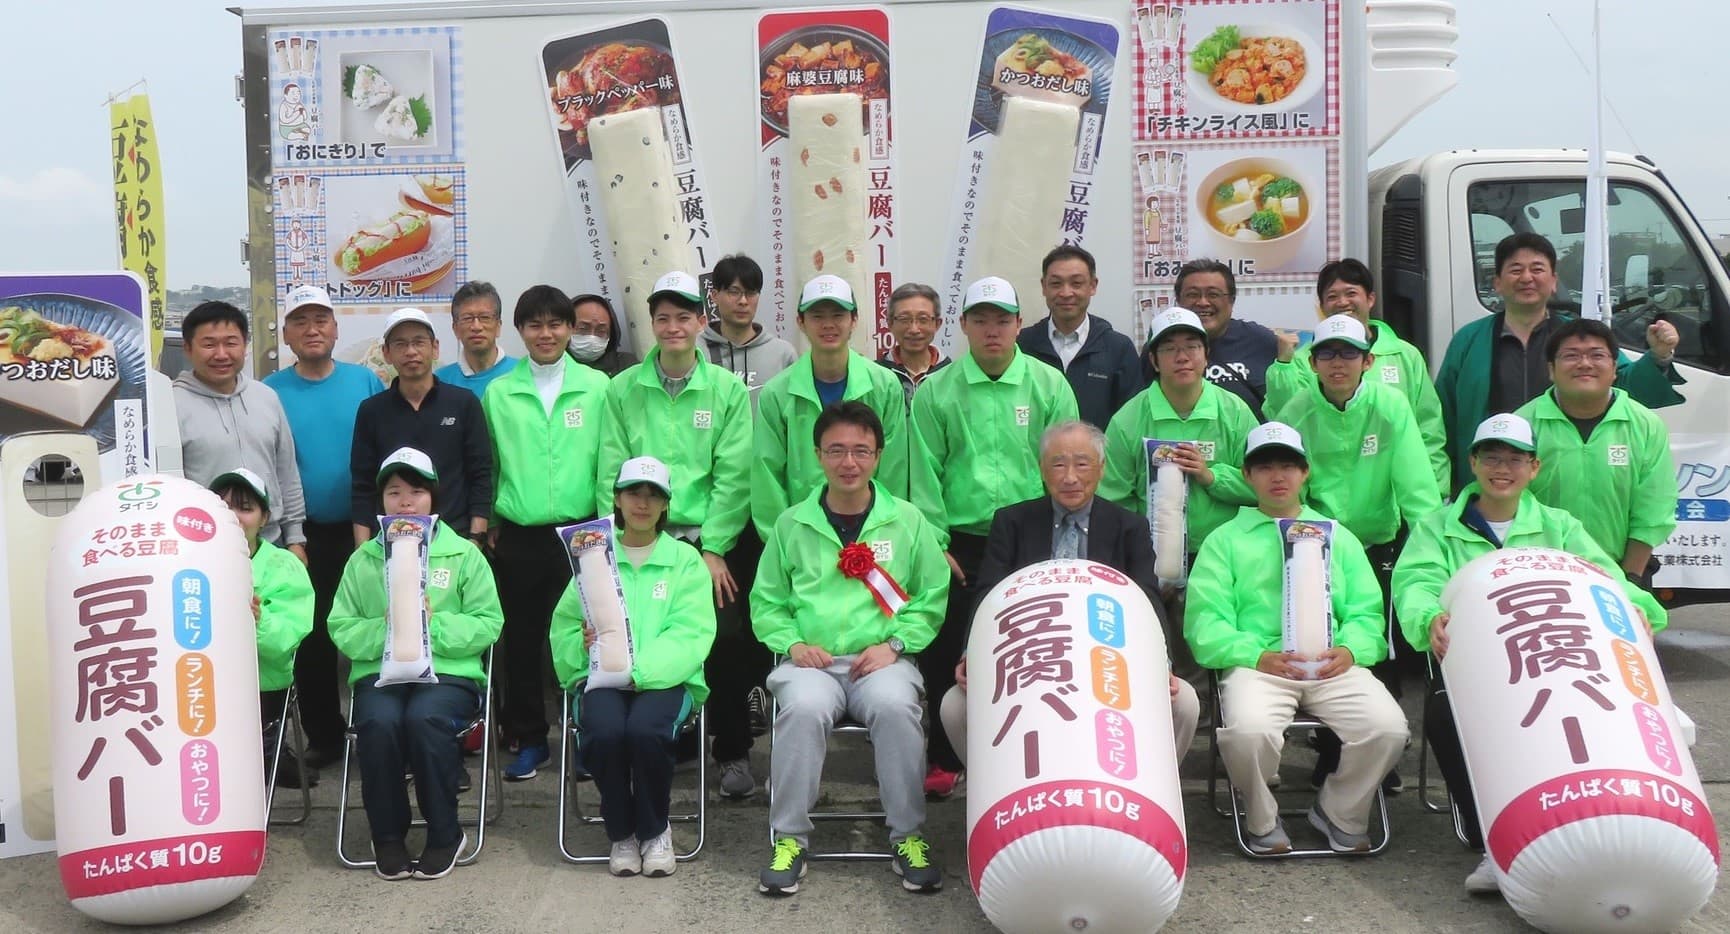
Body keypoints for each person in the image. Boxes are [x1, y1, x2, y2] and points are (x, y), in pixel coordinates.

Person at [1391, 413, 1667, 894]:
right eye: (1492, 457)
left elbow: (1605, 575)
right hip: (1477, 671)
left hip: (1559, 665)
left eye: (1515, 459)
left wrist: (1640, 610)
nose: (1503, 468)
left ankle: (1599, 825)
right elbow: (1416, 582)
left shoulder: (1558, 525)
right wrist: (1426, 619)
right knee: (1442, 716)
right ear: (1473, 463)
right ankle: (1492, 846)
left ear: (1534, 468)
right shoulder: (1436, 526)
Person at [1185, 422, 1409, 855]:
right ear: (1247, 476)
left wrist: (1350, 650)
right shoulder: (1224, 541)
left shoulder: (1336, 535)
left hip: (1332, 665)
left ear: (1305, 472)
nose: (1277, 476)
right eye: (1264, 466)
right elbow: (1204, 625)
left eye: (1288, 465)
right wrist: (1256, 655)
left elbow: (1367, 612)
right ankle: (1261, 815)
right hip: (1260, 666)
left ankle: (1339, 811)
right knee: (1248, 732)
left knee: (1389, 729)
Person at [753, 402, 949, 896]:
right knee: (802, 708)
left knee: (895, 706)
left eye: (861, 451)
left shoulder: (905, 521)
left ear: (879, 456)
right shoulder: (792, 524)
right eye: (836, 450)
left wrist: (897, 643)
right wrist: (792, 643)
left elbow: (931, 594)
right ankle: (790, 839)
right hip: (810, 663)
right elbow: (767, 602)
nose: (849, 462)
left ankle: (907, 835)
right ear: (817, 455)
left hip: (880, 660)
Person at [937, 421, 1201, 768]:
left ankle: (1150, 794)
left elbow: (1148, 599)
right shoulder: (1012, 523)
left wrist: (1160, 662)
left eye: (1082, 463)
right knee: (954, 706)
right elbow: (989, 593)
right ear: (1042, 470)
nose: (1070, 477)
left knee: (1185, 703)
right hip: (1032, 661)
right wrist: (973, 652)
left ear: (1102, 468)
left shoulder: (1129, 527)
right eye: (1058, 464)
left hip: (1108, 661)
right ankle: (1000, 791)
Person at [910, 276, 1079, 797]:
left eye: (1002, 320)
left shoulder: (1048, 384)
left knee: (1036, 649)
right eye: (980, 320)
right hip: (961, 541)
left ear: (1019, 325)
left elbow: (1066, 464)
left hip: (1034, 535)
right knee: (948, 649)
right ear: (962, 327)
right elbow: (923, 472)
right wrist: (935, 543)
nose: (992, 330)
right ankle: (943, 757)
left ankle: (1044, 755)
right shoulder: (937, 390)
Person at [598, 271, 760, 799]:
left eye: (683, 316)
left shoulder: (727, 390)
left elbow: (734, 476)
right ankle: (659, 744)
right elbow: (609, 470)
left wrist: (713, 549)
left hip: (706, 540)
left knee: (726, 642)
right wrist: (613, 545)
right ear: (652, 324)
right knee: (636, 636)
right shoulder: (623, 389)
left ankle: (732, 752)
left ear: (701, 321)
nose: (673, 327)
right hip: (637, 537)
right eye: (662, 318)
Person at [1269, 313, 1440, 791]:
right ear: (1313, 361)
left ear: (1367, 360)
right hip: (1314, 545)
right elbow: (1283, 482)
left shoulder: (1390, 406)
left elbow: (1417, 488)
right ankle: (1329, 749)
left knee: (1375, 649)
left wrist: (1433, 550)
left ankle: (1374, 756)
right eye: (1327, 354)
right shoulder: (1298, 411)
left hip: (1379, 541)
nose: (1337, 363)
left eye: (1348, 353)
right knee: (1319, 643)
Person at [328, 447, 503, 881]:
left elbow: (489, 623)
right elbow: (341, 626)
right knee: (381, 722)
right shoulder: (363, 559)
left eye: (417, 492)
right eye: (394, 492)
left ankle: (445, 833)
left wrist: (433, 626)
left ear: (434, 500)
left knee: (426, 718)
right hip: (379, 674)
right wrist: (385, 629)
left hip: (449, 674)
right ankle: (387, 836)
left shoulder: (463, 555)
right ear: (381, 501)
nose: (405, 501)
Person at [550, 456, 716, 878]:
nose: (642, 504)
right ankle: (622, 833)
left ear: (665, 506)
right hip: (602, 678)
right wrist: (580, 645)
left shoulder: (684, 560)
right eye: (633, 494)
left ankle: (655, 829)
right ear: (617, 501)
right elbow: (565, 626)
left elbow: (691, 631)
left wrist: (640, 672)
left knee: (645, 731)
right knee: (604, 732)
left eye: (652, 496)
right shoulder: (593, 556)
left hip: (665, 680)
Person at [481, 285, 612, 781]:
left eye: (555, 324)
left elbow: (608, 461)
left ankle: (586, 737)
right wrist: (492, 520)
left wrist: (604, 525)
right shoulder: (500, 392)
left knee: (587, 638)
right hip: (521, 535)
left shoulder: (598, 387)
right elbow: (489, 463)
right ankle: (531, 739)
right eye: (534, 325)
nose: (546, 334)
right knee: (522, 641)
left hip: (583, 533)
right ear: (520, 332)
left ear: (569, 329)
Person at [1435, 232, 1683, 492]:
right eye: (1515, 270)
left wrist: (1659, 355)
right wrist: (1446, 489)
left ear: (1553, 281)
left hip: (1562, 483)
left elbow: (1627, 388)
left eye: (1537, 269)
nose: (1527, 278)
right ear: (1497, 282)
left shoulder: (1580, 337)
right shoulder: (1468, 340)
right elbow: (1442, 418)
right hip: (1490, 485)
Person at [263, 284, 385, 769]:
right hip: (301, 536)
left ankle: (377, 729)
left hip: (364, 531)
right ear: (287, 335)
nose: (312, 330)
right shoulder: (270, 391)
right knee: (311, 638)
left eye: (321, 320)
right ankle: (326, 736)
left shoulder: (365, 382)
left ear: (336, 328)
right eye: (301, 322)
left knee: (371, 628)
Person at [1100, 308, 1259, 676]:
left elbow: (1262, 487)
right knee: (1161, 657)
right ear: (1154, 360)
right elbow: (1113, 497)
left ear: (1206, 355)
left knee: (1220, 654)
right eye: (1170, 349)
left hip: (1221, 554)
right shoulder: (1129, 418)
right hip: (1153, 560)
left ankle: (1218, 715)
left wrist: (1211, 476)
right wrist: (1140, 558)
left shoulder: (1233, 411)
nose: (1182, 356)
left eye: (1192, 346)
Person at [1515, 318, 1678, 587]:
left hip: (1625, 571)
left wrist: (1630, 579)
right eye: (1571, 356)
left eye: (1597, 355)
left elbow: (1653, 507)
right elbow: (1511, 504)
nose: (1585, 364)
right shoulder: (1524, 424)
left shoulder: (1645, 425)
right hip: (1541, 574)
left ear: (1614, 368)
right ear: (1551, 370)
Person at [1264, 259, 1449, 494]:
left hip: (1395, 500)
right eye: (1332, 296)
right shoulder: (1302, 361)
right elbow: (1286, 420)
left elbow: (1429, 427)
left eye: (1351, 293)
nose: (1342, 302)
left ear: (1370, 298)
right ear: (1321, 305)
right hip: (1326, 498)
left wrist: (1436, 490)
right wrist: (1284, 366)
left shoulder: (1405, 354)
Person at [752, 274, 910, 539]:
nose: (828, 325)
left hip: (873, 533)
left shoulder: (884, 385)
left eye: (838, 315)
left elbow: (894, 468)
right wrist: (783, 540)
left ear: (854, 321)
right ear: (800, 322)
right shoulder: (777, 393)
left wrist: (884, 532)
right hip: (802, 535)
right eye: (817, 316)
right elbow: (767, 477)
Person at [349, 307, 494, 548]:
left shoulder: (464, 403)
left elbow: (480, 475)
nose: (411, 351)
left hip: (454, 541)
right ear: (386, 353)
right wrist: (361, 550)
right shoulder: (371, 411)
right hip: (390, 541)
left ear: (434, 347)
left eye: (419, 342)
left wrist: (475, 539)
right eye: (400, 344)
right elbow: (362, 485)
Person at [174, 300, 308, 559]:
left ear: (245, 345)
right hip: (204, 547)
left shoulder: (266, 397)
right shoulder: (172, 405)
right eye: (209, 344)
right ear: (188, 349)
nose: (221, 354)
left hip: (272, 545)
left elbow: (286, 472)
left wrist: (295, 539)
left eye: (231, 342)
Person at [209, 467, 315, 788]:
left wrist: (258, 621)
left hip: (262, 685)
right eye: (224, 507)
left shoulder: (285, 566)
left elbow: (288, 637)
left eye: (245, 508)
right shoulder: (191, 562)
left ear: (264, 518)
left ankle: (271, 754)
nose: (234, 517)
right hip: (201, 681)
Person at [1016, 245, 1144, 429]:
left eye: (1076, 283)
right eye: (1056, 284)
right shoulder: (1022, 345)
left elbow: (1131, 421)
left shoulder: (1118, 348)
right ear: (1044, 287)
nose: (1066, 293)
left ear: (1093, 286)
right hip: (1035, 457)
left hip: (1099, 457)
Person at [1168, 259, 1280, 420]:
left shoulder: (1262, 341)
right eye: (1192, 294)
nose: (1202, 302)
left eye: (1213, 294)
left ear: (1232, 300)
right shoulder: (1161, 345)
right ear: (1178, 300)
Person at [700, 254, 798, 408]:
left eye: (751, 293)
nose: (743, 301)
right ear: (714, 296)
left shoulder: (783, 354)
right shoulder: (696, 351)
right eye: (734, 292)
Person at [434, 281, 516, 397]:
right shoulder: (440, 380)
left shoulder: (521, 372)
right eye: (467, 318)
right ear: (455, 329)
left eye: (485, 317)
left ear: (498, 326)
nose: (476, 327)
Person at [876, 282, 950, 409]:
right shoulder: (876, 374)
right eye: (904, 319)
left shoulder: (951, 374)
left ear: (937, 323)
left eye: (923, 319)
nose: (914, 329)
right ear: (890, 323)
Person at [569, 292, 639, 377]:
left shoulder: (627, 365)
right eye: (583, 329)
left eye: (601, 331)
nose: (592, 337)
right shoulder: (553, 366)